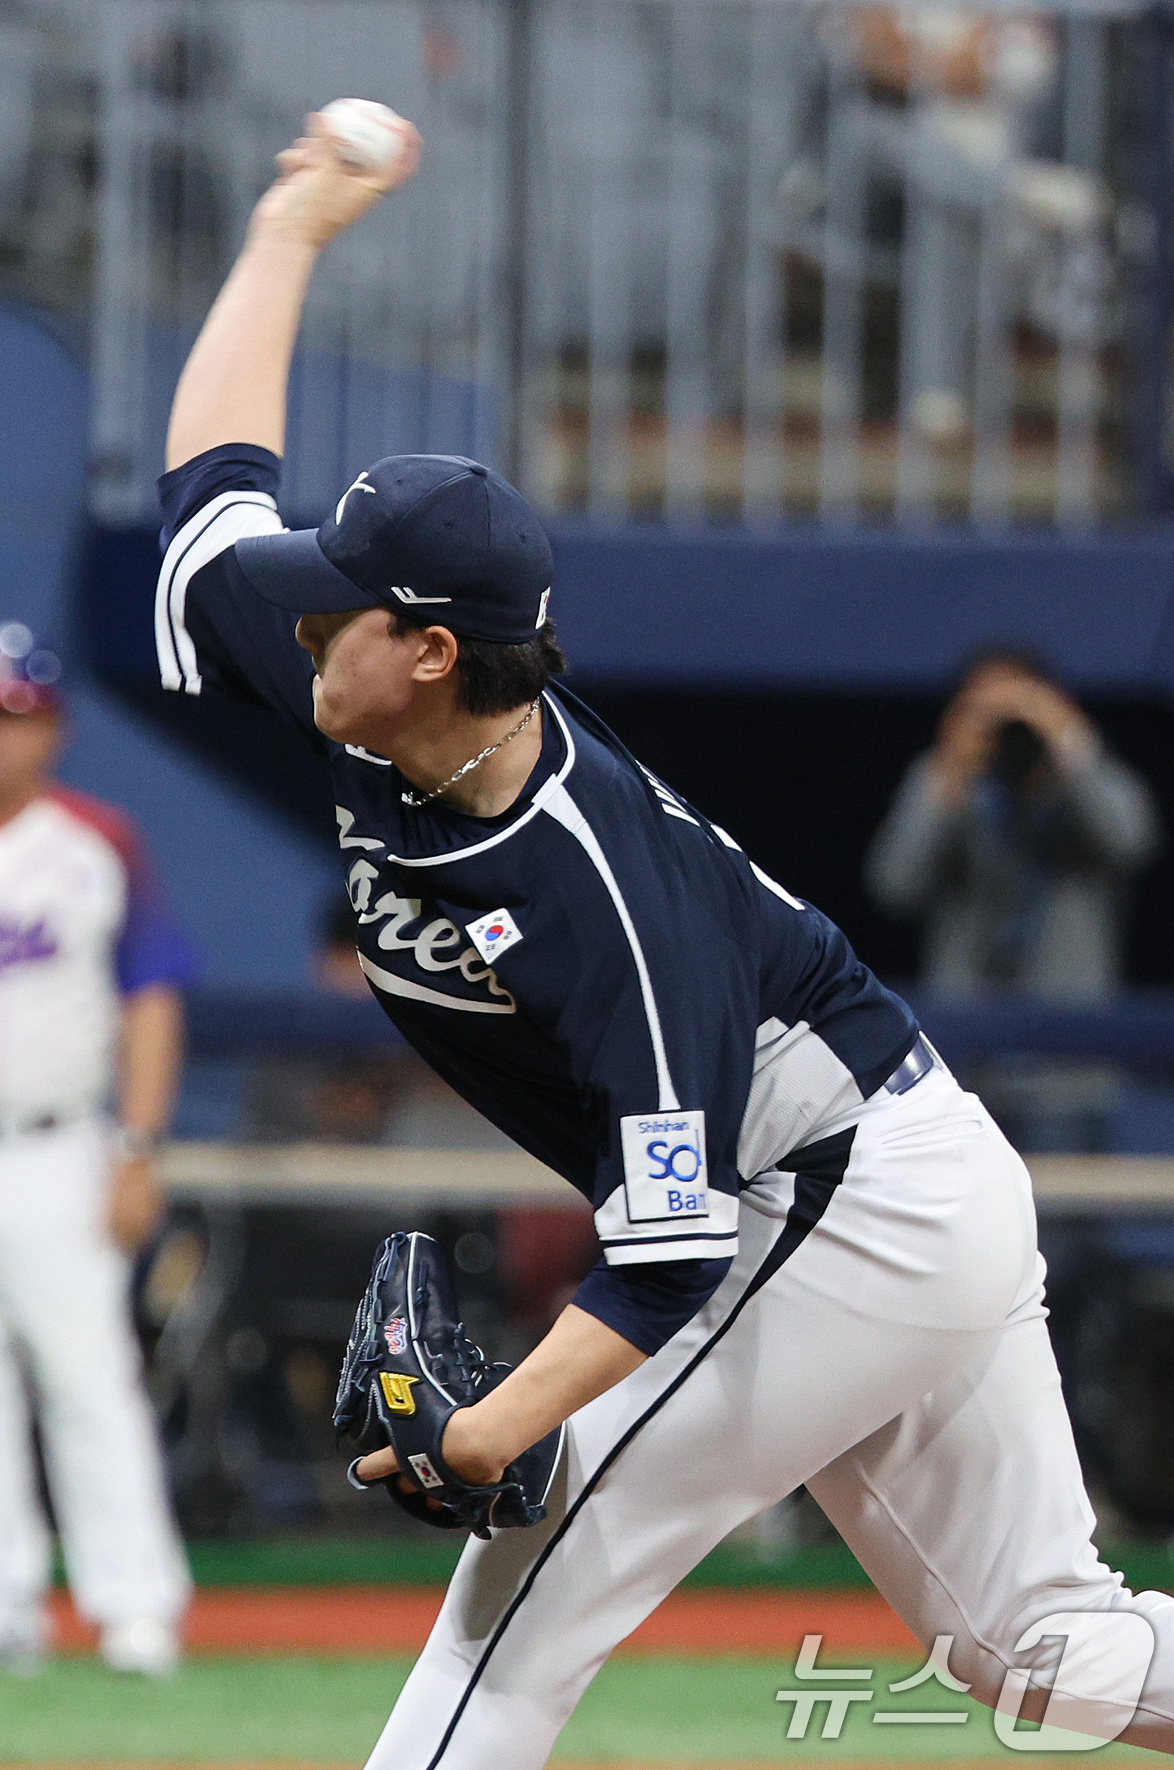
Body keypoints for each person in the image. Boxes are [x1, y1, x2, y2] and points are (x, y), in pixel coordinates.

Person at [151, 113, 1174, 1763]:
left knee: (509, 1610)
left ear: (425, 649)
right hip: (877, 1173)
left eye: (335, 595)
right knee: (1038, 1658)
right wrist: (289, 231)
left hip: (842, 1209)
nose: (297, 608)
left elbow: (672, 1245)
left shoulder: (587, 883)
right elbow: (207, 504)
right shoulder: (364, 696)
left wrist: (485, 1433)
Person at [0, 627, 194, 1675]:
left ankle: (134, 1608)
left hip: (56, 1146)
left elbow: (149, 995)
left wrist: (137, 1147)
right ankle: (7, 1609)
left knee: (89, 1377)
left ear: (54, 727)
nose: (2, 737)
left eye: (17, 716)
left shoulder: (96, 839)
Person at [866, 647, 1160, 1146]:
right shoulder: (943, 780)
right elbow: (895, 884)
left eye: (1019, 703)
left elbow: (1132, 840)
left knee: (1069, 1217)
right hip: (963, 1059)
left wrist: (1068, 741)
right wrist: (949, 775)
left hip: (1069, 1058)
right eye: (986, 705)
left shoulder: (1081, 778)